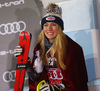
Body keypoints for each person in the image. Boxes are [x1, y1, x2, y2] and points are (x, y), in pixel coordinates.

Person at [14, 3, 88, 91]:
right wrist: (25, 60)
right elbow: (36, 76)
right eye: (46, 25)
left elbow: (76, 83)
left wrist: (56, 88)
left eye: (53, 25)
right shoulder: (40, 47)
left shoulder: (72, 49)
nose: (49, 29)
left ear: (59, 27)